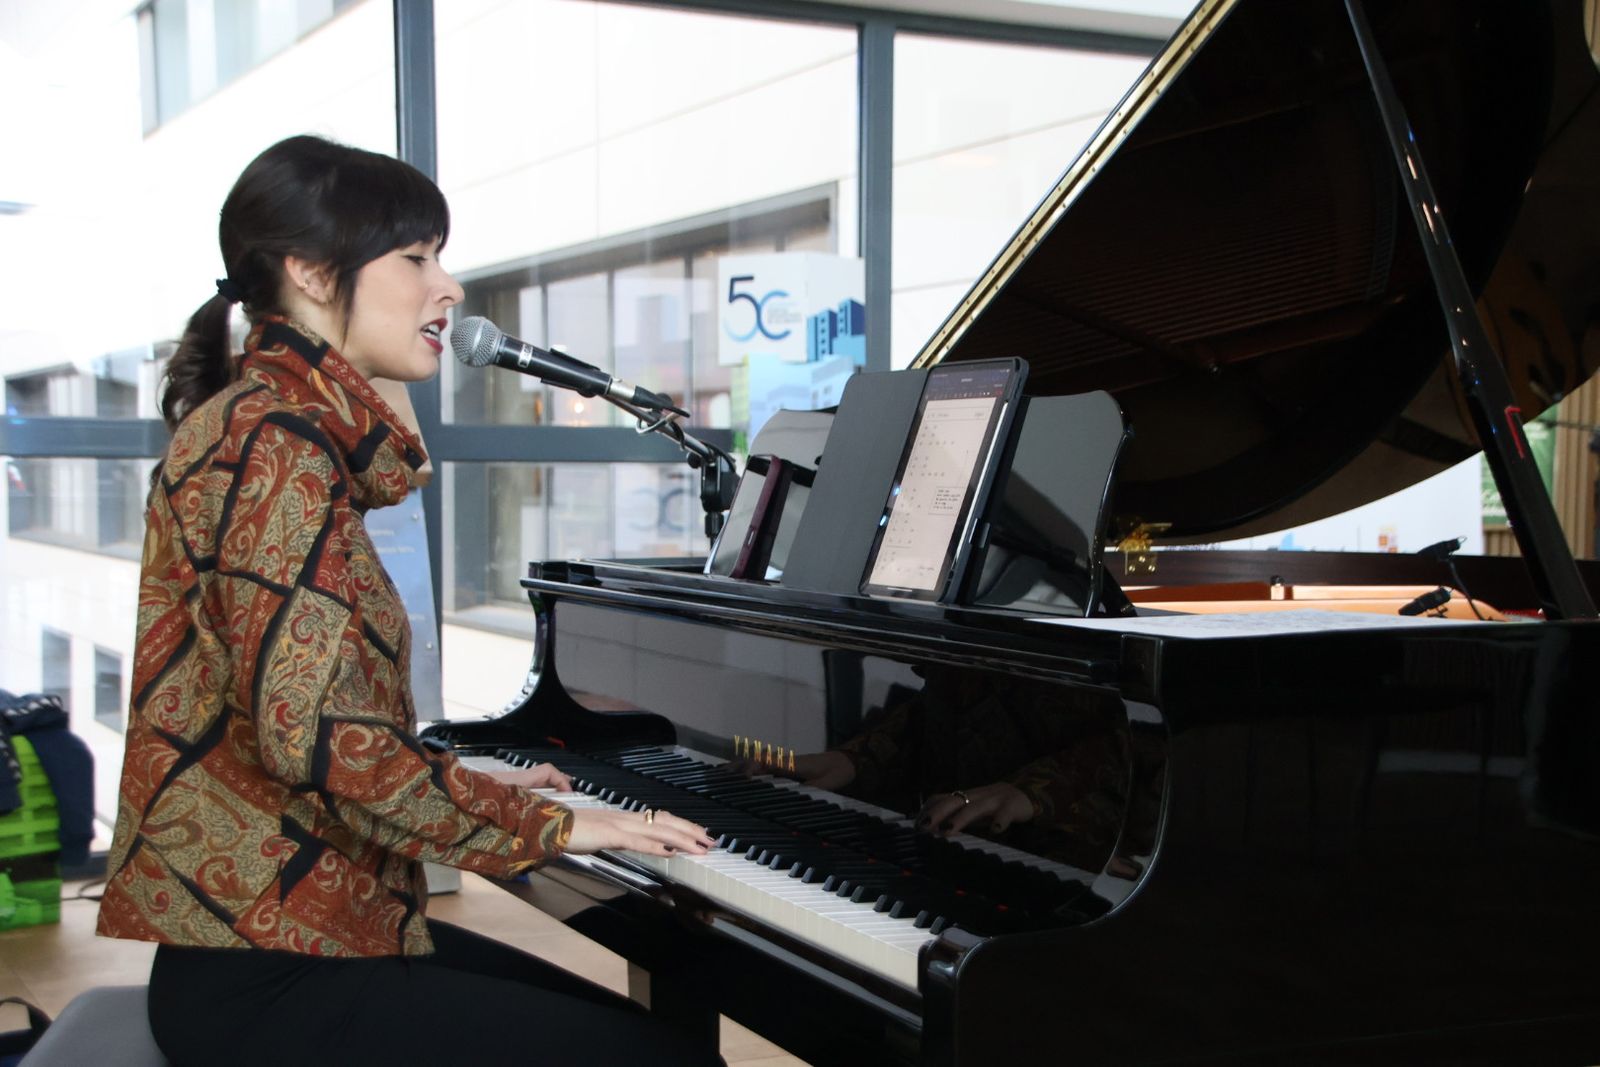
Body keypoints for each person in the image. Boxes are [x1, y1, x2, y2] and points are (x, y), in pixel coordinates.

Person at [96, 134, 720, 1066]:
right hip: (274, 962)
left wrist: (471, 783)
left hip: (298, 925)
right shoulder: (275, 447)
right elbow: (313, 739)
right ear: (311, 272)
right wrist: (553, 822)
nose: (449, 287)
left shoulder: (264, 425)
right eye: (417, 258)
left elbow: (301, 718)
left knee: (656, 1040)